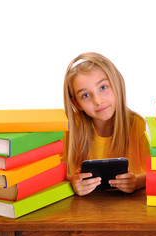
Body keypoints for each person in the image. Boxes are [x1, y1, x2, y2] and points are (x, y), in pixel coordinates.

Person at [63, 52, 150, 196]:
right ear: (76, 103)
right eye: (85, 95)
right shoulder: (70, 128)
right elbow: (53, 175)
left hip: (129, 209)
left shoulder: (137, 125)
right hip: (82, 212)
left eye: (103, 87)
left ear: (116, 84)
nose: (98, 101)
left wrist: (137, 182)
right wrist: (72, 181)